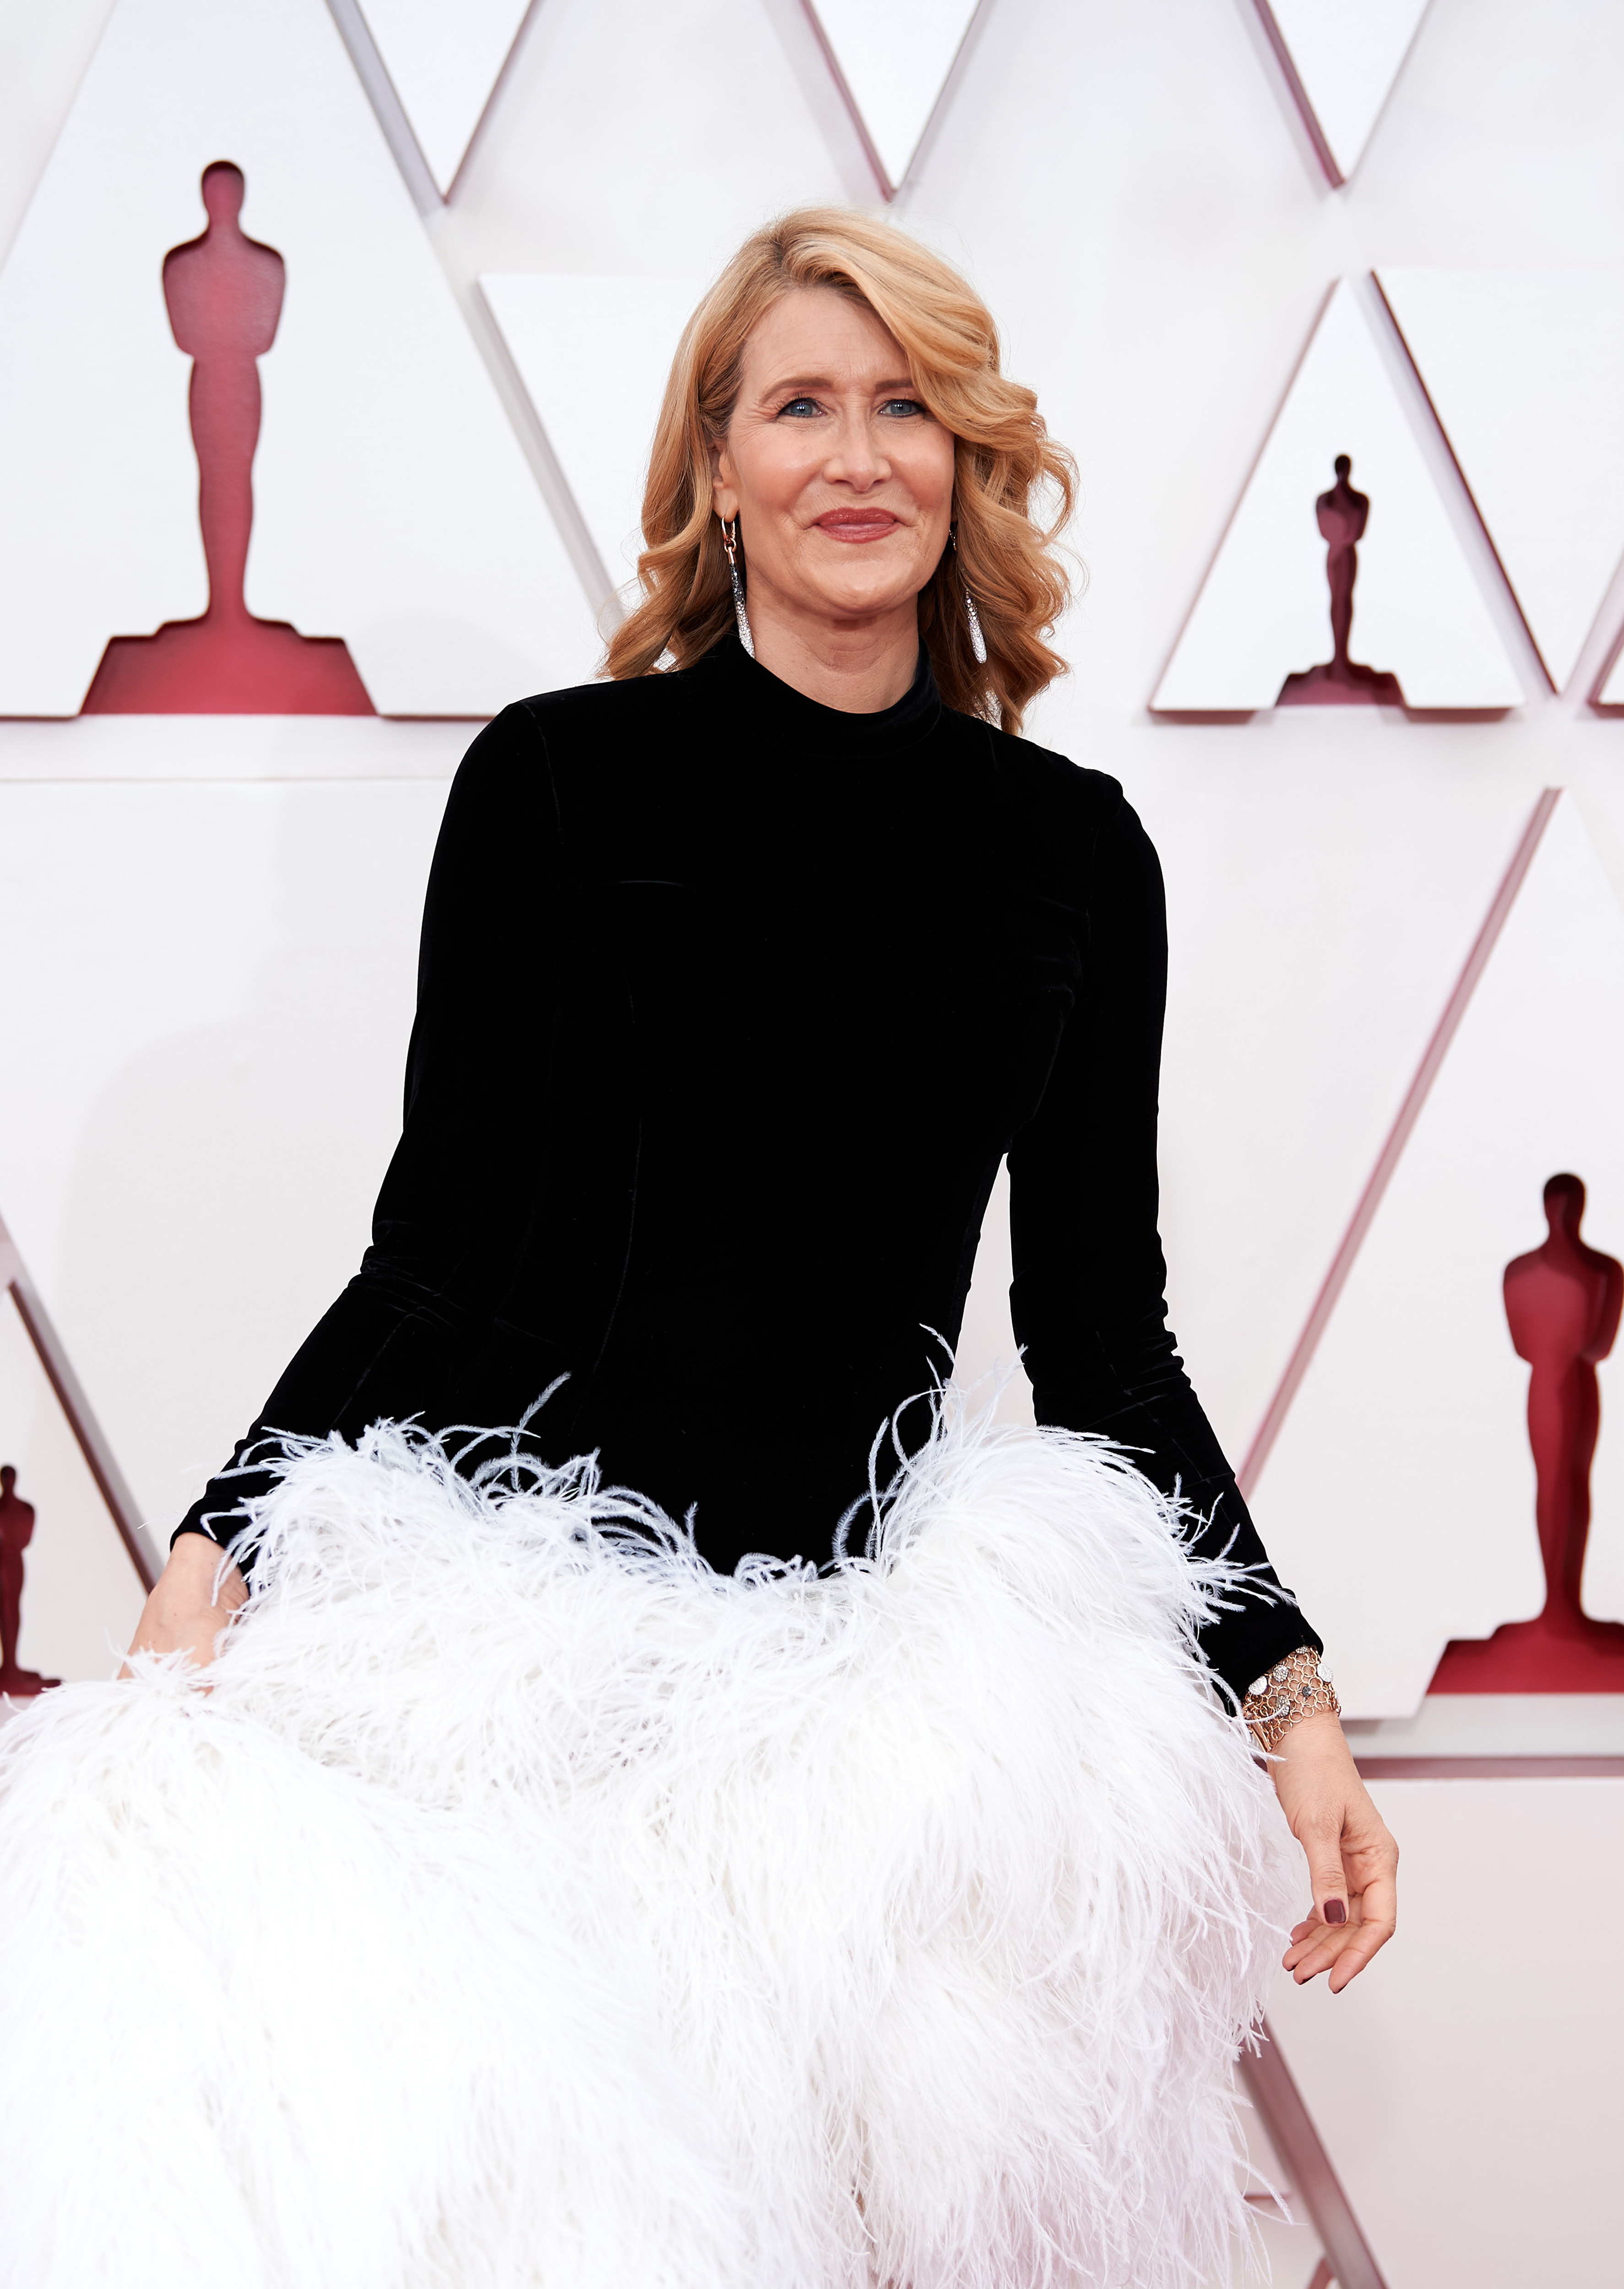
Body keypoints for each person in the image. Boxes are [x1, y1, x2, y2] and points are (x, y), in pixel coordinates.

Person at [4, 211, 1396, 2289]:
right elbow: (444, 1249)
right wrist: (218, 1546)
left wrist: (1285, 1698)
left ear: (966, 462)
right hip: (509, 1697)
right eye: (800, 405)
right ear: (718, 470)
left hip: (854, 1761)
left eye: (906, 404)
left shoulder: (1070, 854)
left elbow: (1103, 1336)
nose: (858, 453)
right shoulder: (556, 783)